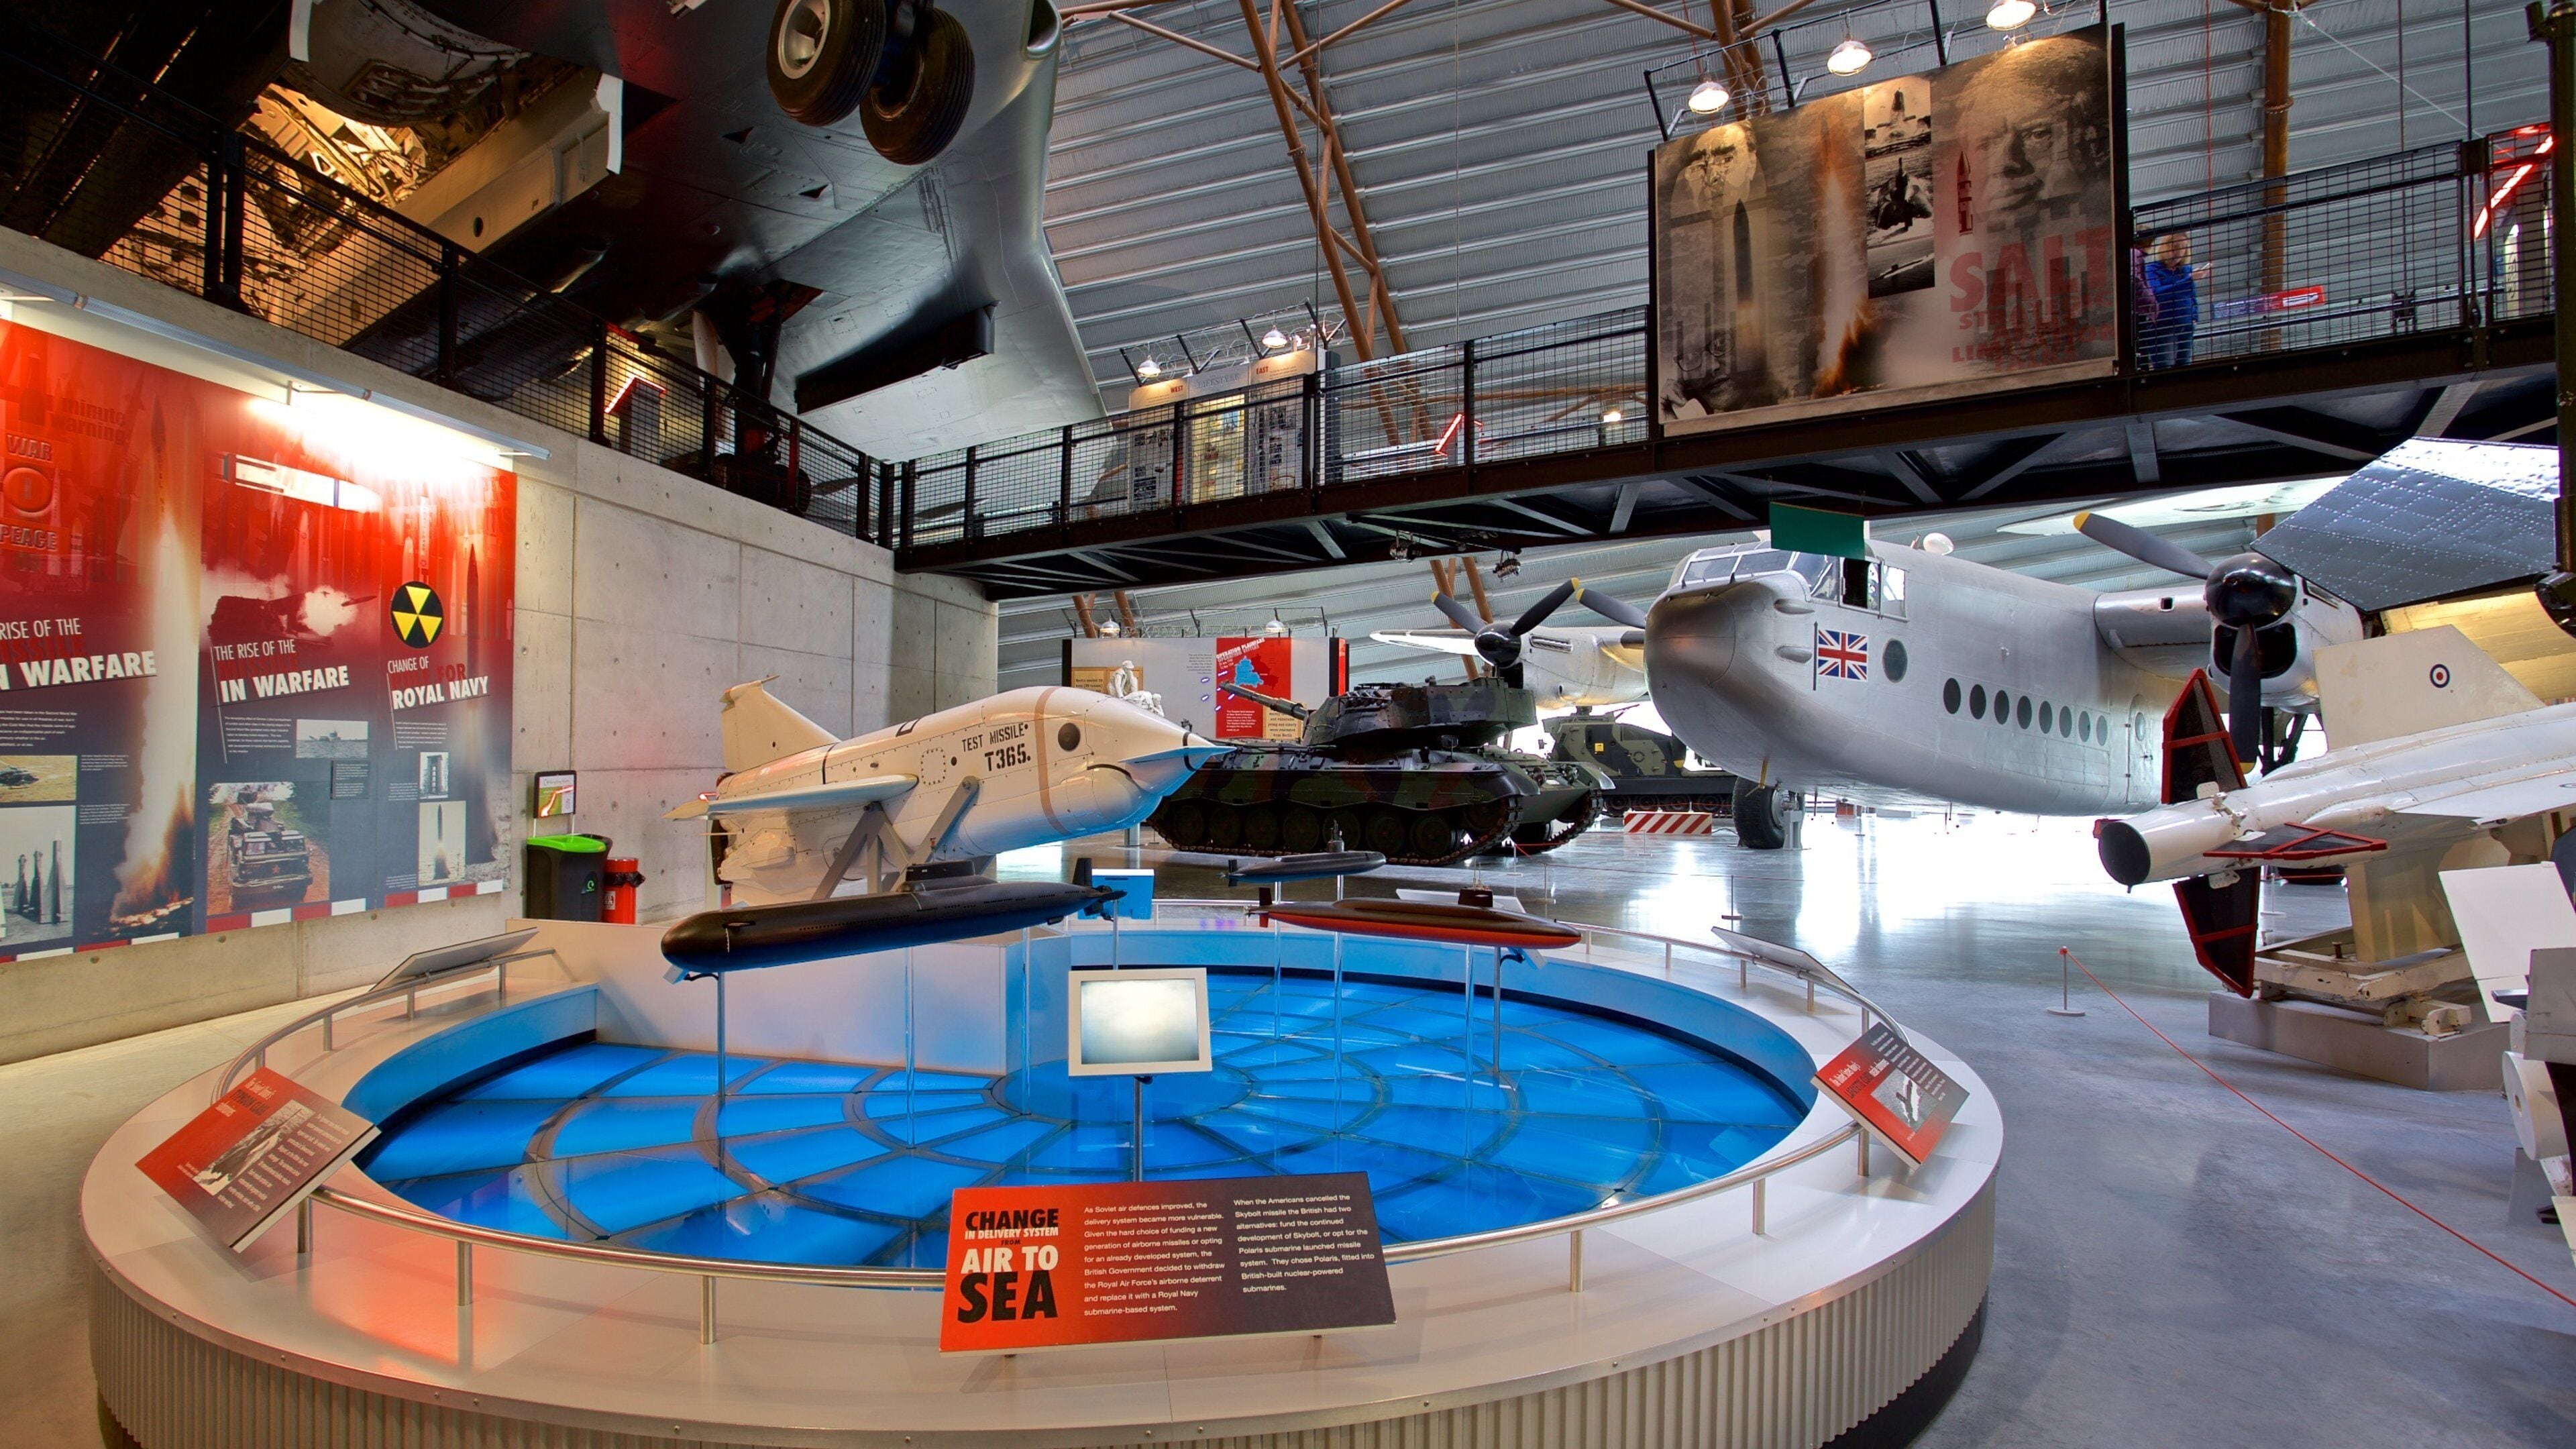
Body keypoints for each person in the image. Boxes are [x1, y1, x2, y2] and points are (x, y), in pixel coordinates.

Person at [2144, 232, 2211, 369]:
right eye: (2176, 247)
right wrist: (2189, 280)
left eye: (2183, 247)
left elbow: (2192, 296)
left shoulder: (2186, 270)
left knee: (2184, 367)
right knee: (2164, 367)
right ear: (2165, 247)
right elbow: (2156, 294)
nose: (2179, 251)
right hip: (2164, 326)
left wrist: (2194, 317)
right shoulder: (2152, 269)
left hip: (2186, 325)